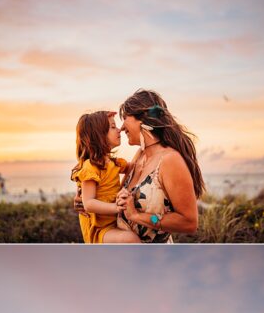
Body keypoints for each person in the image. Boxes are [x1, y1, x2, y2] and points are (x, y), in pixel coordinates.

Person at [113, 89, 205, 243]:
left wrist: (137, 216)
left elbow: (189, 222)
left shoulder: (170, 160)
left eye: (125, 118)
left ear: (143, 120)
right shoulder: (140, 155)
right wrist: (87, 200)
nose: (121, 128)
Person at [70, 111, 139, 244]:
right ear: (99, 136)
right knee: (131, 239)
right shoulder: (90, 167)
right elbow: (88, 203)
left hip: (114, 223)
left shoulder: (115, 163)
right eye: (113, 127)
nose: (120, 130)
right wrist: (116, 208)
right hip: (99, 230)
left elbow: (135, 167)